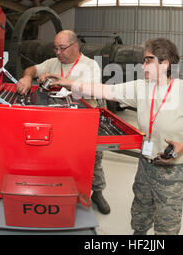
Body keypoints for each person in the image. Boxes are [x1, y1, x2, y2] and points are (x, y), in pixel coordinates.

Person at [48, 37, 183, 235]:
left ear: (165, 64)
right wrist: (67, 82)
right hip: (146, 164)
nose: (143, 65)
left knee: (167, 223)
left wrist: (182, 146)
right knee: (141, 209)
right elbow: (105, 90)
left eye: (148, 60)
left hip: (173, 171)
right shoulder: (142, 87)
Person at [16, 30, 111, 215]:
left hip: (84, 124)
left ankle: (97, 193)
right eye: (55, 48)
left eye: (62, 48)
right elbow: (33, 69)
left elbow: (91, 92)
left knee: (93, 161)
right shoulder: (54, 62)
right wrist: (28, 77)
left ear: (75, 46)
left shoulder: (90, 65)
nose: (58, 53)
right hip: (59, 124)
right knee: (62, 161)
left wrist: (60, 81)